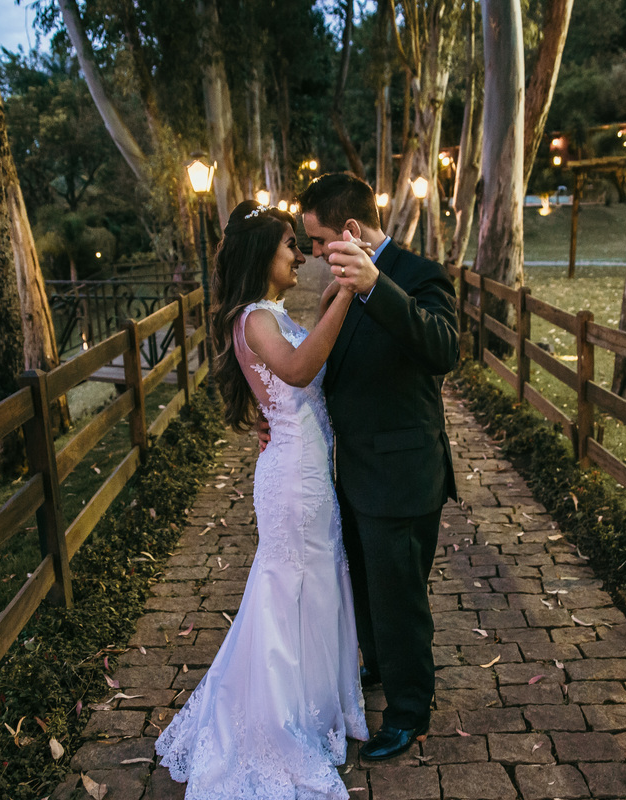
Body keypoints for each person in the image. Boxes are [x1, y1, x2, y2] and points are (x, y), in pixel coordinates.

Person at [156, 200, 368, 799]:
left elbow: (295, 365)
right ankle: (277, 720)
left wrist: (333, 292)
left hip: (304, 468)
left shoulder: (268, 314)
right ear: (261, 256)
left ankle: (311, 701)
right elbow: (298, 370)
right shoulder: (254, 318)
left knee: (313, 583)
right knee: (288, 589)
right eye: (289, 246)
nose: (299, 255)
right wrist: (348, 296)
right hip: (293, 478)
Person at [298, 172, 459, 761]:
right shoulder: (338, 284)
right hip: (355, 472)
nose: (315, 253)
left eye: (319, 240)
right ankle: (381, 665)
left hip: (402, 475)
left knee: (399, 601)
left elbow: (444, 348)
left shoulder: (417, 274)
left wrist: (377, 286)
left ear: (349, 230)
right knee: (365, 589)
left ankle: (410, 711)